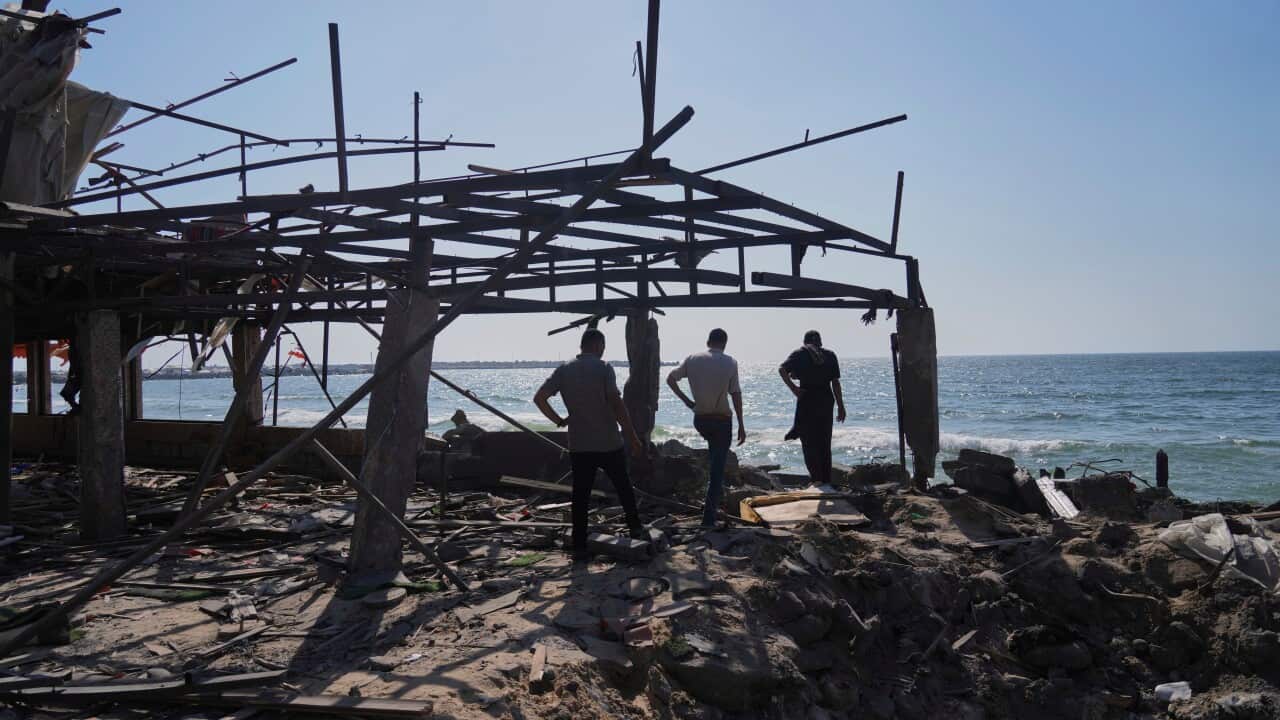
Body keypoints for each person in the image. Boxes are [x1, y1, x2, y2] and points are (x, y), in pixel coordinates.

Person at [533, 329, 645, 557]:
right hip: (608, 442)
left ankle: (579, 545)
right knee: (623, 487)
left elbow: (540, 398)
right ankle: (635, 528)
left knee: (580, 494)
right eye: (603, 346)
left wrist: (558, 420)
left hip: (580, 443)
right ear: (598, 345)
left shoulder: (564, 369)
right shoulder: (604, 368)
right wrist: (632, 437)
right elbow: (617, 405)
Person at [666, 328, 746, 527]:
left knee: (714, 460)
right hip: (721, 421)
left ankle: (714, 504)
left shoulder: (692, 359)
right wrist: (741, 425)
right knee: (717, 470)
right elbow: (735, 394)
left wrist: (687, 401)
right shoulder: (730, 362)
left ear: (708, 341)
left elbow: (670, 379)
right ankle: (709, 518)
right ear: (724, 344)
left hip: (701, 420)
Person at [779, 330, 846, 486]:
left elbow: (782, 369)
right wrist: (841, 406)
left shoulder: (799, 354)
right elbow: (835, 383)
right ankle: (826, 480)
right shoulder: (830, 355)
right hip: (826, 400)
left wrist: (794, 389)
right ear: (820, 342)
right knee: (824, 441)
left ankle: (816, 479)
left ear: (805, 342)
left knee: (809, 441)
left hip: (807, 398)